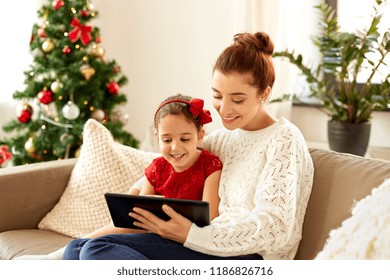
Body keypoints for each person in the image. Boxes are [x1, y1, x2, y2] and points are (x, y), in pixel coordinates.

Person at [61, 31, 314, 260]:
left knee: (95, 250)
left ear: (265, 94)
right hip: (198, 243)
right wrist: (137, 196)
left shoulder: (284, 140)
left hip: (247, 257)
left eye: (237, 99)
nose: (224, 109)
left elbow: (275, 228)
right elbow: (171, 165)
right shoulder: (221, 140)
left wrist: (191, 235)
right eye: (217, 96)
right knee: (75, 249)